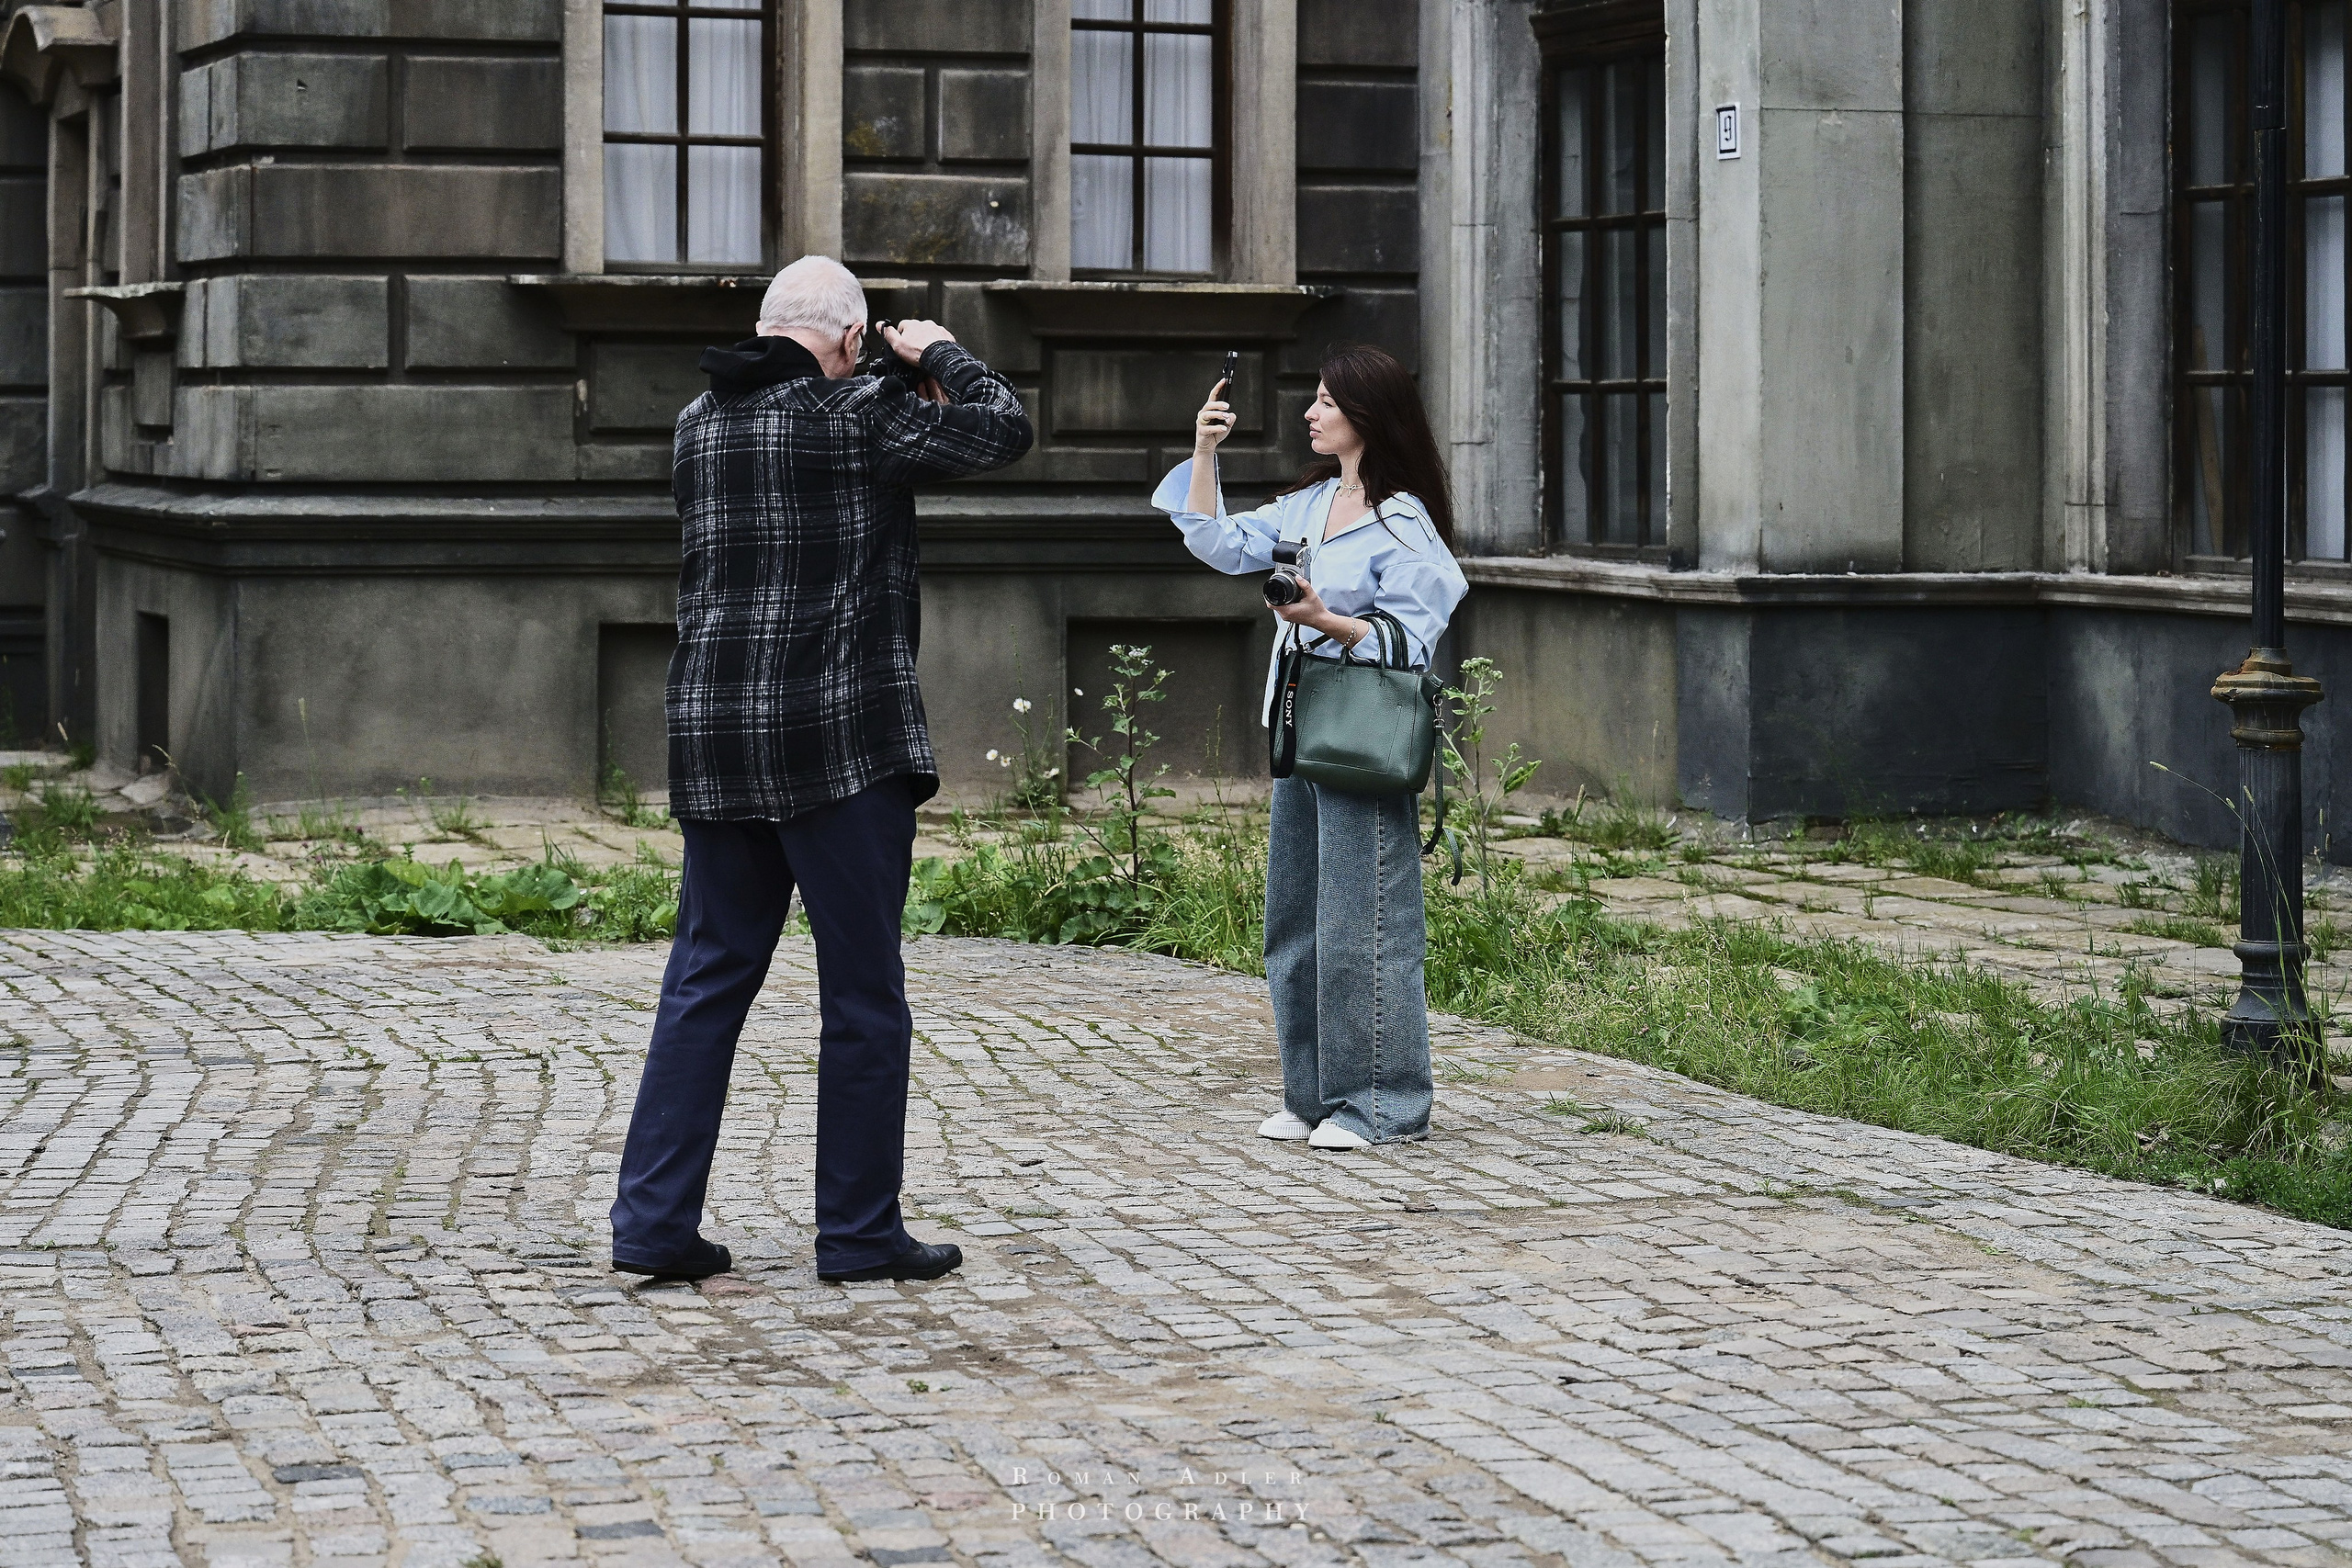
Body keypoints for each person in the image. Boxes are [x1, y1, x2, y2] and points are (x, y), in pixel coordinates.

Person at [610, 255, 1034, 1283]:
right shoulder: (858, 416)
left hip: (714, 734)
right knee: (861, 994)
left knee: (705, 981)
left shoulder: (694, 425)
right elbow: (1004, 429)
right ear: (848, 341)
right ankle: (855, 1233)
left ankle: (653, 1225)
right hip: (839, 743)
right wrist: (936, 354)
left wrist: (884, 384)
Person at [1152, 344, 1468, 1149]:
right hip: (1297, 722)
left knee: (1363, 918)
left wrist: (1325, 619)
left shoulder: (1403, 521)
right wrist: (1203, 450)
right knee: (1294, 917)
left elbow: (1412, 639)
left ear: (1365, 414)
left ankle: (1382, 1104)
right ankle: (1312, 1095)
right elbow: (1216, 542)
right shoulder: (1308, 503)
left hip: (1360, 731)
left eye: (1326, 401)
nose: (1311, 412)